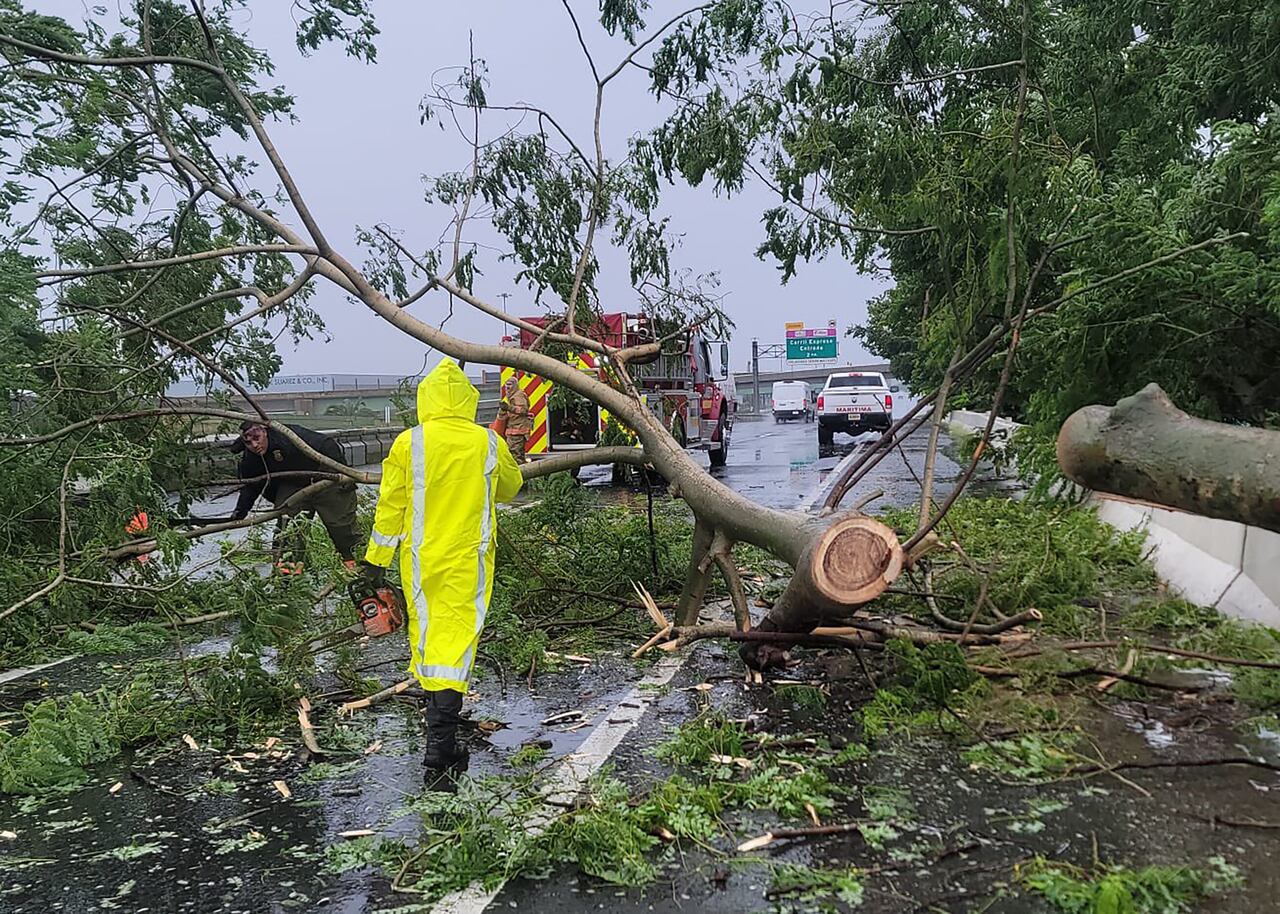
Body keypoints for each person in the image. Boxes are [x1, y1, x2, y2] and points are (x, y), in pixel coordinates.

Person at [362, 359, 523, 780]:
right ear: (468, 400)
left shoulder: (408, 443)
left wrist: (374, 564)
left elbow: (390, 506)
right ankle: (441, 742)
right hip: (469, 559)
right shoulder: (486, 443)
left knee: (430, 638)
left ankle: (440, 732)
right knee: (456, 642)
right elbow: (511, 487)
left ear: (426, 399)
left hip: (420, 561)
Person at [231, 421, 361, 573]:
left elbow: (327, 444)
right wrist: (240, 512)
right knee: (288, 525)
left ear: (265, 431)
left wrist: (342, 474)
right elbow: (251, 486)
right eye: (248, 443)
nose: (254, 445)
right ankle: (288, 570)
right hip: (292, 484)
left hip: (324, 476)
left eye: (257, 438)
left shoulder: (288, 436)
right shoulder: (251, 458)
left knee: (340, 524)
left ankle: (355, 563)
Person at [496, 376, 533, 462]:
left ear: (515, 385)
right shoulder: (513, 396)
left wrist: (509, 408)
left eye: (510, 385)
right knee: (515, 455)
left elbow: (523, 410)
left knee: (515, 456)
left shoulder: (518, 396)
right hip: (514, 430)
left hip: (518, 430)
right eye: (506, 385)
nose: (507, 387)